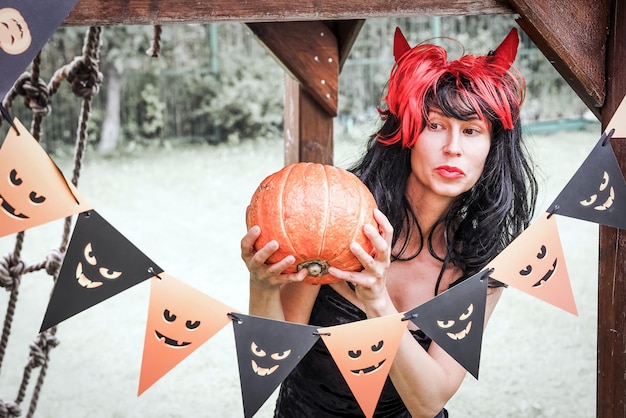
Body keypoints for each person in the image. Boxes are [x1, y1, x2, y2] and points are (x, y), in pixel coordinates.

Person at [241, 26, 537, 418]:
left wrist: (377, 301)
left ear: (492, 148)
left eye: (471, 131)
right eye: (435, 125)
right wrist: (261, 286)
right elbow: (274, 361)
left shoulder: (479, 263)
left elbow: (429, 401)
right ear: (408, 133)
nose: (453, 147)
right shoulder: (342, 218)